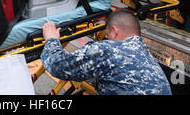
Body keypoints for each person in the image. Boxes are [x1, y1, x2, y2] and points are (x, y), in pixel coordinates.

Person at [41, 9, 172, 95]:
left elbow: (58, 66)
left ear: (114, 31)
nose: (107, 39)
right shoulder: (149, 60)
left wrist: (51, 39)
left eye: (108, 35)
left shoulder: (110, 49)